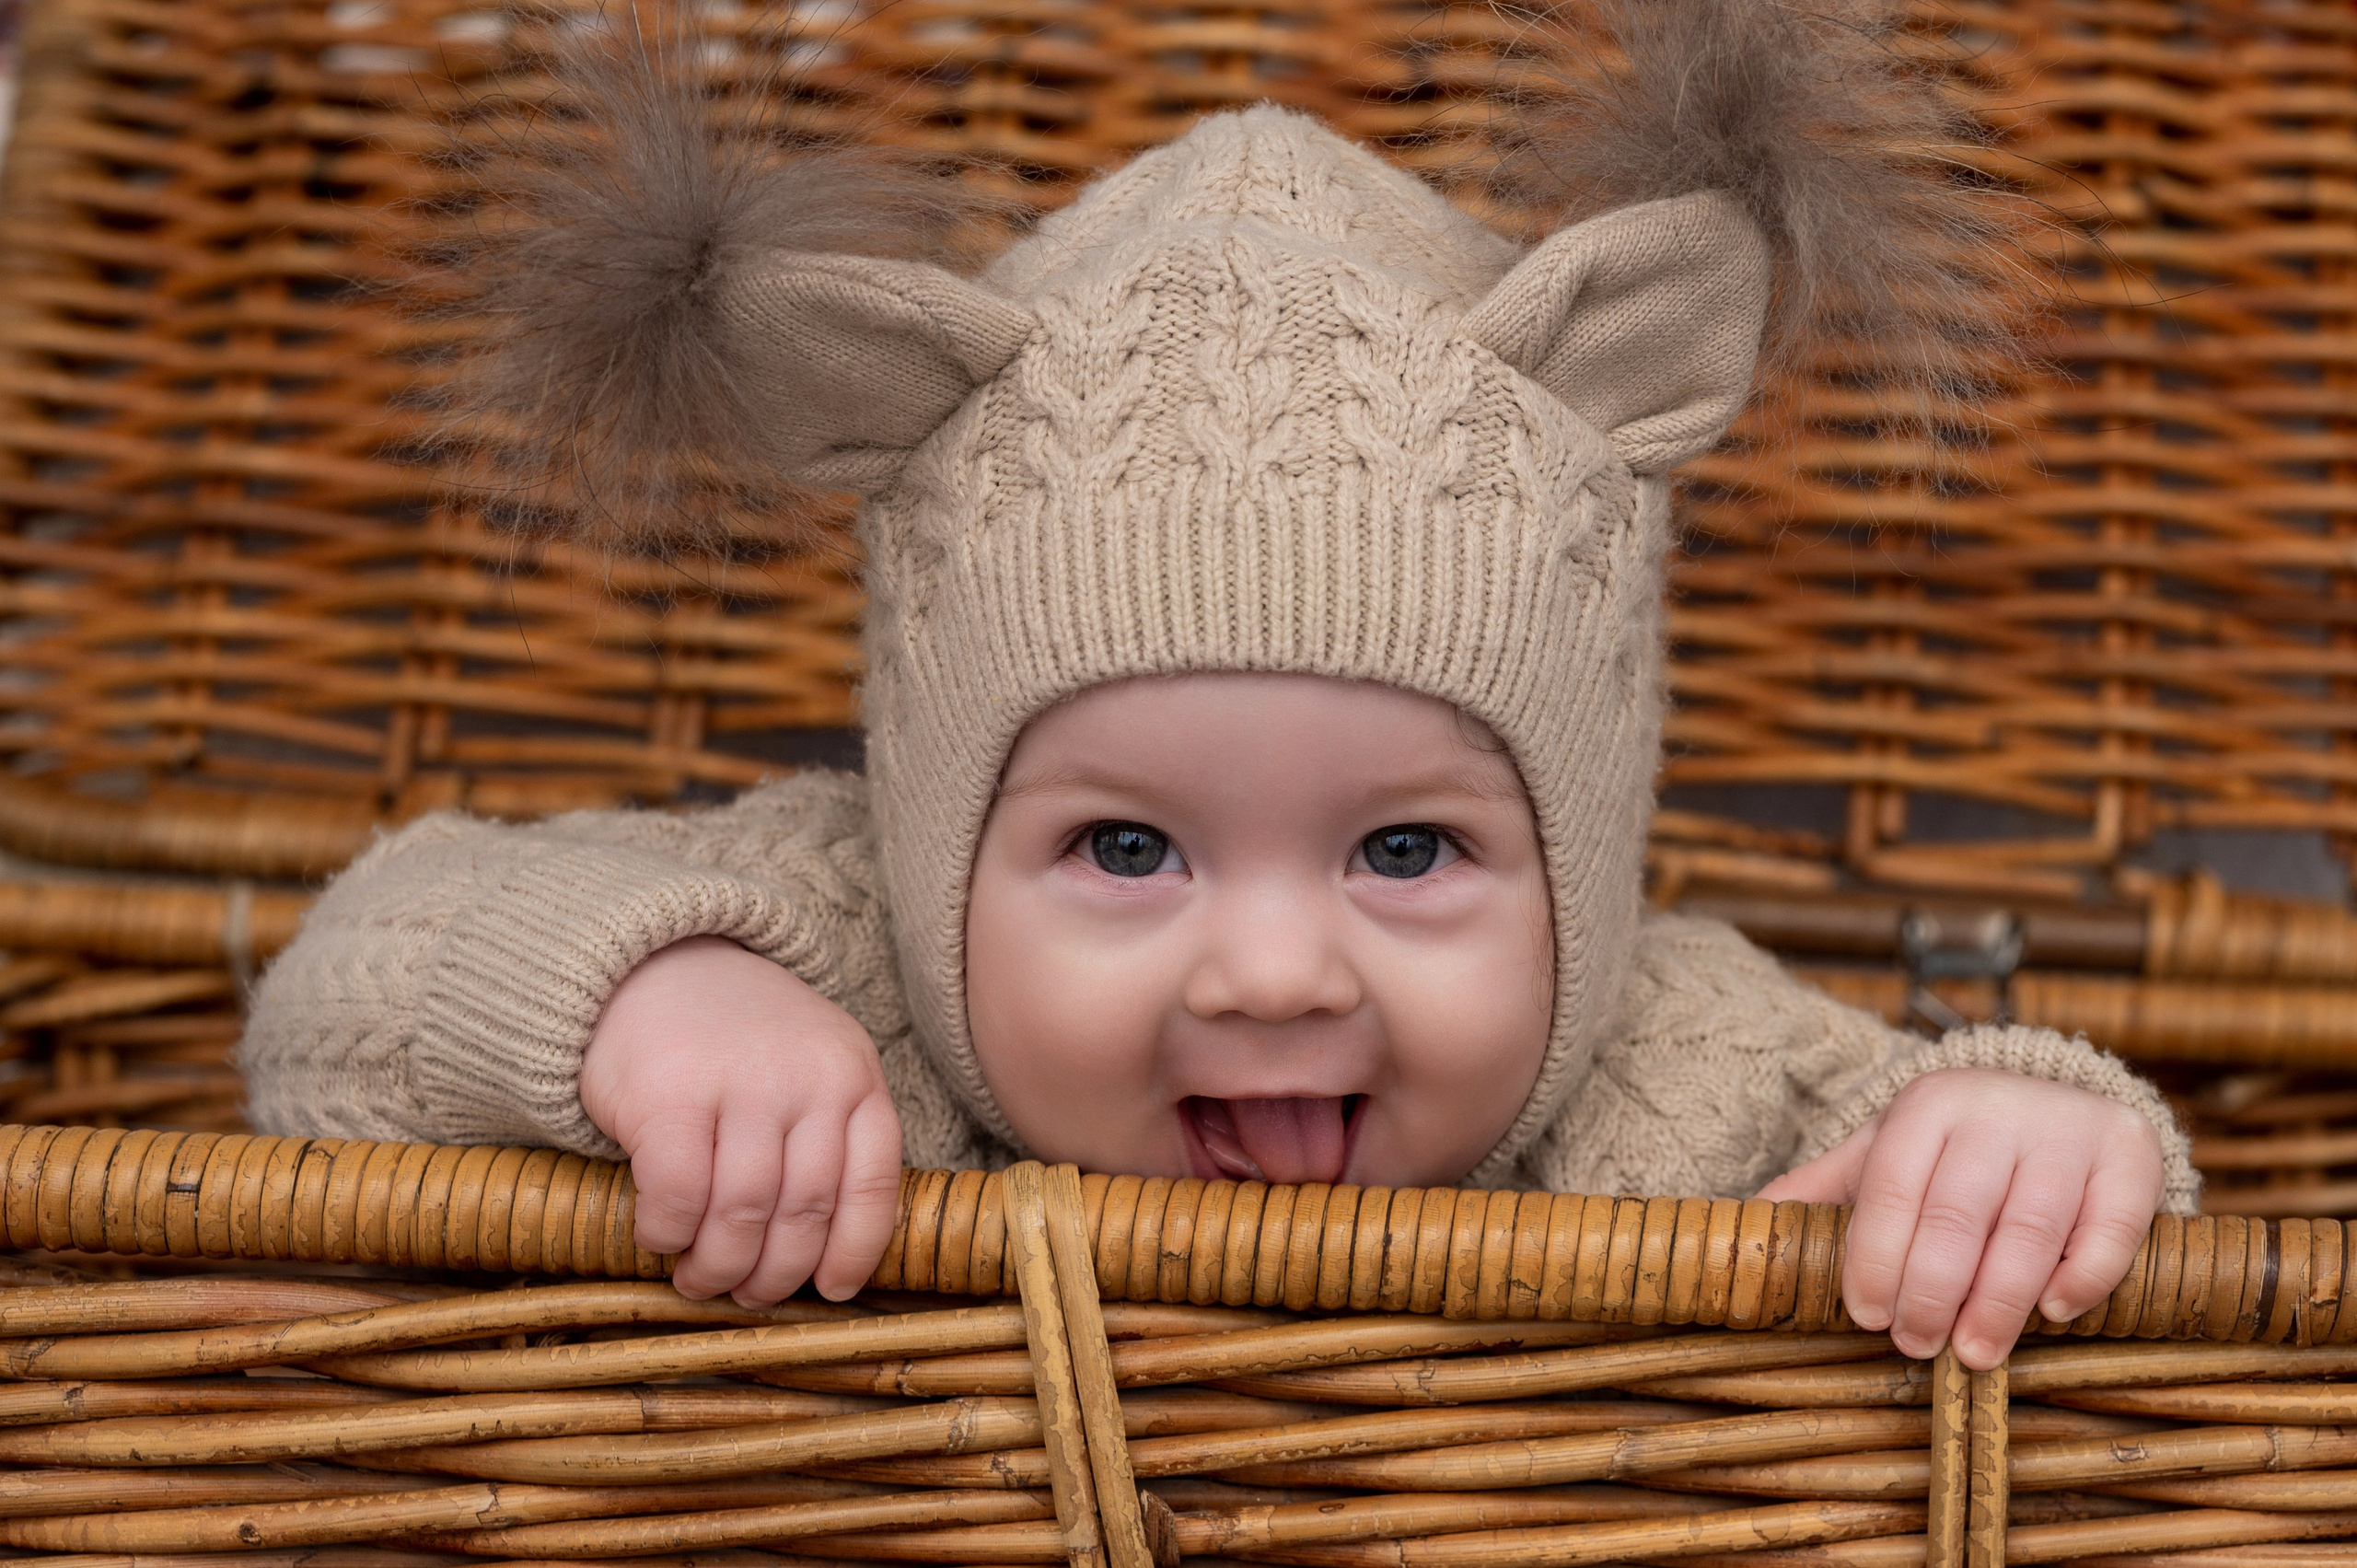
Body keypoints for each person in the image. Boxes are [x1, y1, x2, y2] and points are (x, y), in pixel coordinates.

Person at [240, 0, 2192, 1370]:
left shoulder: (1666, 1067)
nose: (1272, 974)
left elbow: (2029, 1174)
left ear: (1585, 857)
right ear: (936, 834)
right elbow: (338, 991)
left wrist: (2026, 1132)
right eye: (1122, 846)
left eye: (1408, 847)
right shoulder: (829, 957)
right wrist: (646, 1006)